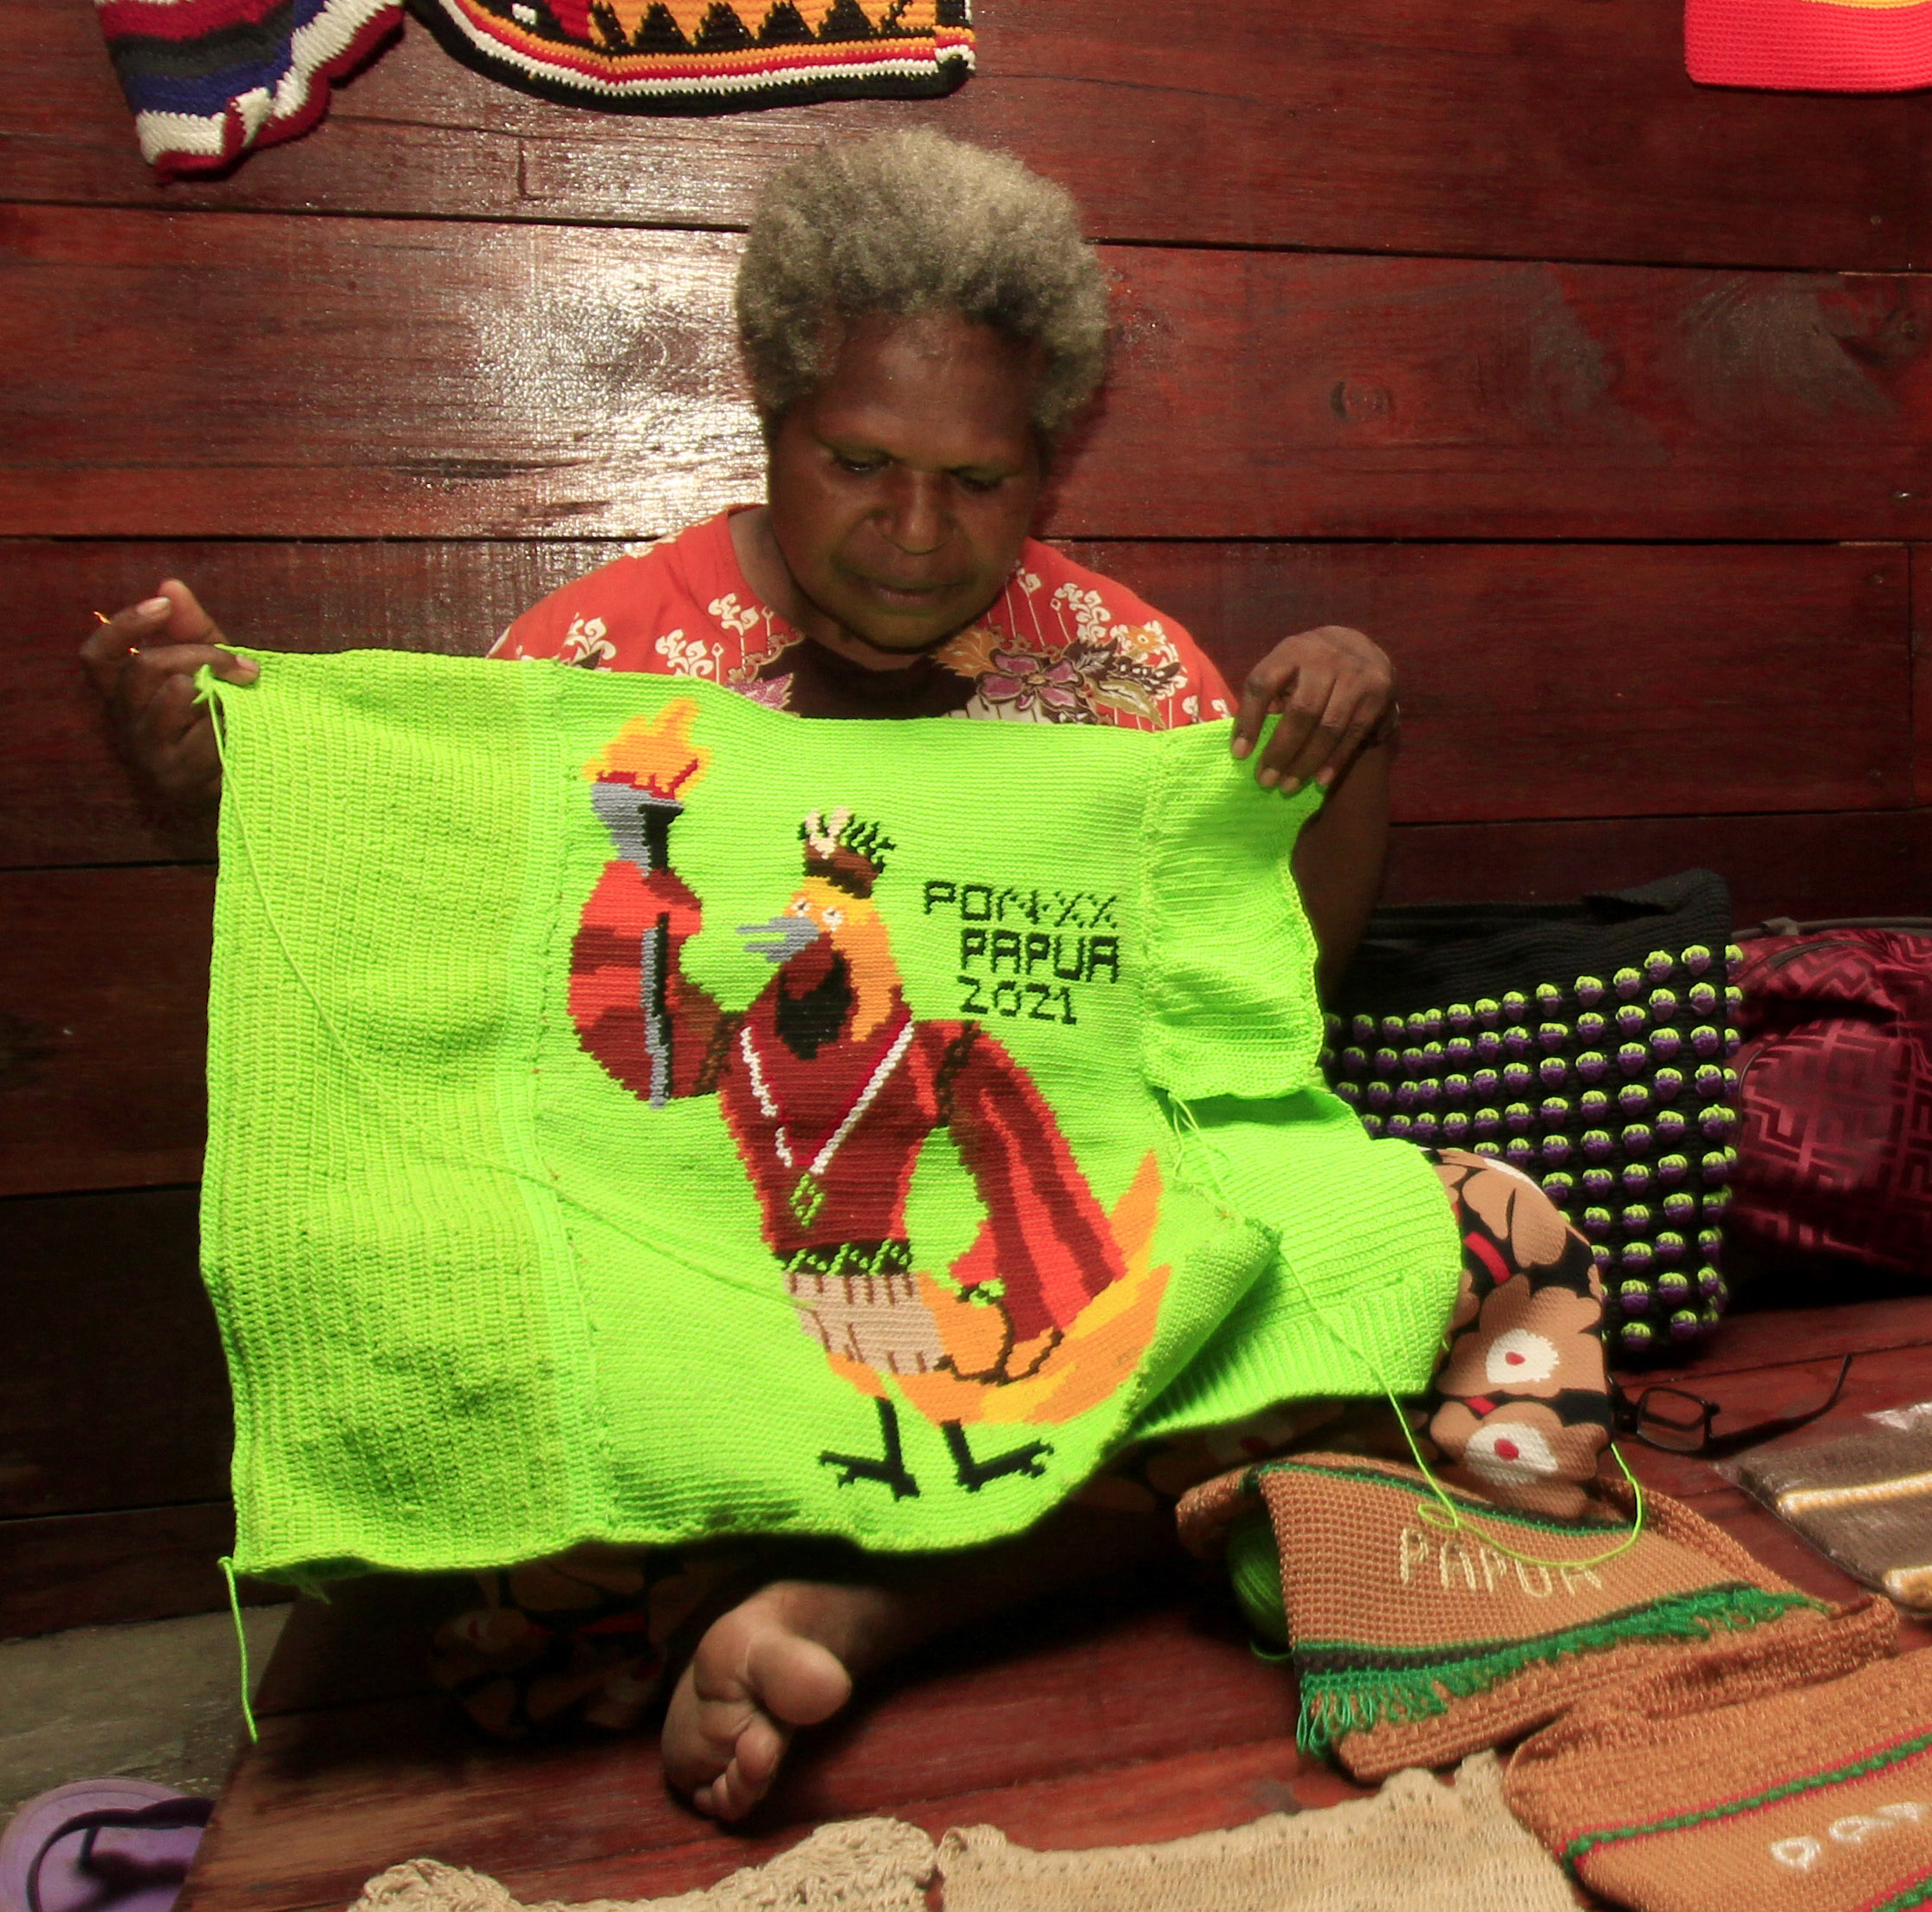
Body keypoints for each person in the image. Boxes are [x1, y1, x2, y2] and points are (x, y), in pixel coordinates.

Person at [79, 131, 1612, 1821]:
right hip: (733, 1292)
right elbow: (475, 1016)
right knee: (502, 1525)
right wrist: (235, 782)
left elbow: (1265, 1002)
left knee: (1467, 1232)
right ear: (768, 411)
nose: (911, 532)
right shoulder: (597, 671)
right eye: (858, 462)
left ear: (1048, 463)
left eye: (979, 482)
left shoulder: (1117, 670)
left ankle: (876, 1592)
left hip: (1052, 1270)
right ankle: (1098, 1544)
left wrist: (1357, 732)